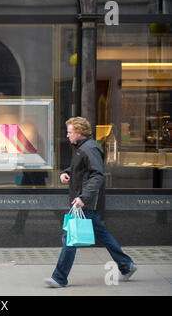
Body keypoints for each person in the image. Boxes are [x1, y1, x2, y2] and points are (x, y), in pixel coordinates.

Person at [44, 117, 137, 288]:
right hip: (84, 201)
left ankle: (59, 277)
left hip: (84, 202)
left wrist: (83, 198)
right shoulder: (83, 147)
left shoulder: (89, 149)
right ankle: (126, 265)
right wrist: (66, 172)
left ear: (79, 133)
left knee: (70, 237)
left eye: (70, 132)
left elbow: (97, 175)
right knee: (101, 234)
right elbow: (81, 168)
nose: (67, 135)